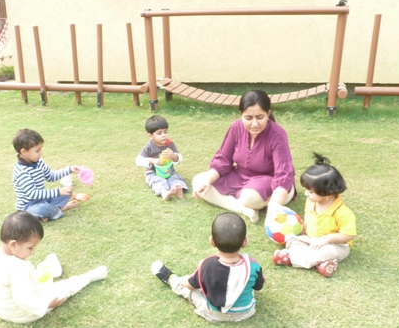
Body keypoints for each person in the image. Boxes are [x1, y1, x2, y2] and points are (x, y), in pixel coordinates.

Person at [0, 211, 108, 323]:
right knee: (64, 287)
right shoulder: (18, 268)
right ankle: (90, 276)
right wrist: (47, 304)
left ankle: (51, 268)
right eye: (30, 248)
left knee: (36, 277)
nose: (33, 252)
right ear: (13, 245)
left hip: (1, 309)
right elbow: (24, 299)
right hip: (24, 313)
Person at [192, 89, 296, 224]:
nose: (254, 123)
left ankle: (247, 203)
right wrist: (208, 180)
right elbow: (223, 159)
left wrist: (274, 205)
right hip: (239, 177)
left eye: (260, 117)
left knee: (248, 197)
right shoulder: (236, 127)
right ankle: (244, 210)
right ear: (241, 115)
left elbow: (283, 174)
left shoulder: (278, 134)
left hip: (268, 181)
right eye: (248, 118)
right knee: (199, 181)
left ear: (268, 113)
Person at [151, 212, 264, 323]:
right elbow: (258, 287)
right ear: (245, 242)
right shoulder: (253, 265)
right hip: (246, 312)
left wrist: (184, 280)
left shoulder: (207, 265)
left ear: (212, 241)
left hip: (214, 313)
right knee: (247, 282)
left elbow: (190, 286)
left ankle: (173, 280)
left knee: (190, 290)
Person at [272, 153, 356, 277]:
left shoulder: (343, 213)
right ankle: (321, 265)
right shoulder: (311, 202)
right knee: (292, 239)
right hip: (311, 239)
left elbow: (348, 235)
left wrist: (326, 239)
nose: (306, 194)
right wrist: (296, 227)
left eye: (310, 192)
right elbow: (308, 220)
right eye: (306, 190)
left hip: (335, 245)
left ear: (327, 194)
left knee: (325, 252)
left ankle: (289, 258)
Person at [13, 128, 79, 222]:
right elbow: (33, 194)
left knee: (67, 191)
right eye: (37, 151)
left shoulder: (39, 162)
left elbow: (51, 176)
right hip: (28, 208)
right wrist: (58, 192)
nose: (41, 153)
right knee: (42, 208)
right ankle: (59, 209)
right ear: (24, 152)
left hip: (43, 200)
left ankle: (50, 212)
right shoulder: (21, 171)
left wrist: (69, 169)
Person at [135, 115, 188, 201]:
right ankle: (164, 193)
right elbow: (138, 160)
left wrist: (173, 156)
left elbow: (179, 158)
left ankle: (178, 189)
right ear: (150, 136)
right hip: (153, 173)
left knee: (175, 178)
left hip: (169, 171)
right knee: (157, 181)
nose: (163, 135)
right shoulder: (149, 146)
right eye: (159, 133)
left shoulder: (170, 144)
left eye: (165, 132)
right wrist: (153, 160)